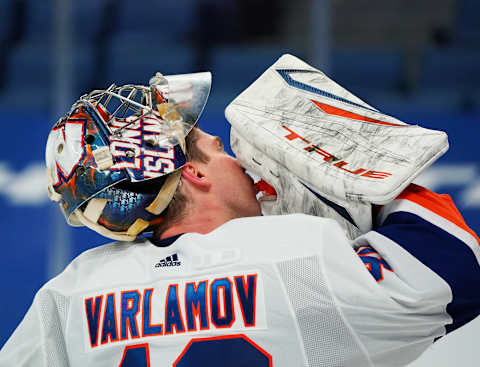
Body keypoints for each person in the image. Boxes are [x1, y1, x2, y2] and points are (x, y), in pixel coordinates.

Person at [0, 70, 479, 367]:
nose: (239, 161)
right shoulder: (300, 251)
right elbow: (456, 266)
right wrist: (362, 170)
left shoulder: (69, 296)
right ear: (192, 172)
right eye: (218, 147)